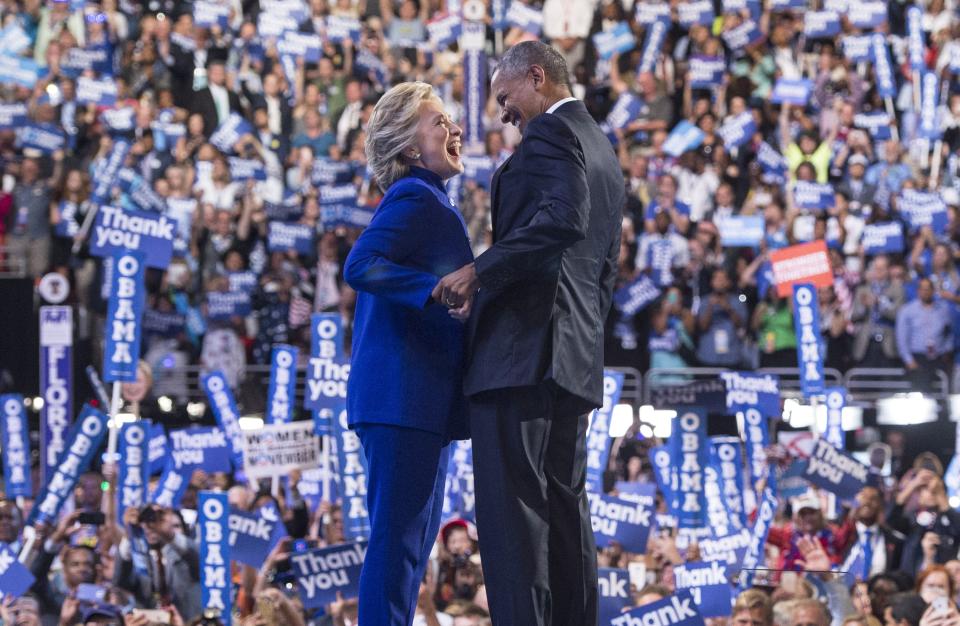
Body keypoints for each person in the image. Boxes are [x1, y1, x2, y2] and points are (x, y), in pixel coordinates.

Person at [433, 41, 624, 626]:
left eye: (505, 97)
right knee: (565, 511)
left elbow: (561, 220)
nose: (503, 113)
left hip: (522, 357)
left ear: (536, 77)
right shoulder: (601, 146)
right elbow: (605, 266)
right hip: (571, 360)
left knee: (514, 519)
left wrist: (478, 271)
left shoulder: (550, 133)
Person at [342, 81, 472, 626]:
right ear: (409, 149)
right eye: (439, 122)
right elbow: (360, 264)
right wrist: (432, 290)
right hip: (401, 401)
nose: (455, 129)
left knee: (409, 551)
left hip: (416, 405)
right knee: (397, 549)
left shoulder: (432, 200)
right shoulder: (414, 197)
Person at [895, 277, 953, 392]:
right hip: (917, 358)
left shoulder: (943, 309)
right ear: (918, 291)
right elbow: (901, 338)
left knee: (940, 395)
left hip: (938, 358)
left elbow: (949, 332)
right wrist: (909, 360)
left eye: (928, 289)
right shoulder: (907, 311)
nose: (925, 292)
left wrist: (947, 350)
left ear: (933, 291)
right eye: (922, 289)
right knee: (919, 396)